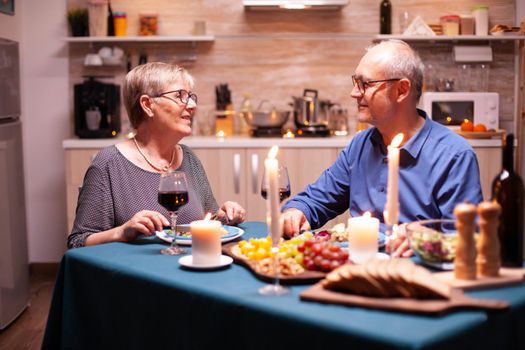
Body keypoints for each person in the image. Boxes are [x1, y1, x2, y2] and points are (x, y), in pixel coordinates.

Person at [282, 40, 483, 257]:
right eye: (355, 82)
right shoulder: (360, 146)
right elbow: (316, 200)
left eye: (365, 84)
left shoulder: (454, 156)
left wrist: (424, 239)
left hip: (417, 280)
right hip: (357, 271)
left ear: (401, 90)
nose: (354, 93)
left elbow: (468, 239)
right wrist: (296, 211)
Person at [68, 62, 245, 248]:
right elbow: (78, 242)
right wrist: (122, 232)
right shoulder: (108, 164)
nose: (192, 105)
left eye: (191, 96)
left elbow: (209, 220)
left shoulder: (189, 158)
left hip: (190, 270)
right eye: (180, 96)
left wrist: (226, 216)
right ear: (147, 105)